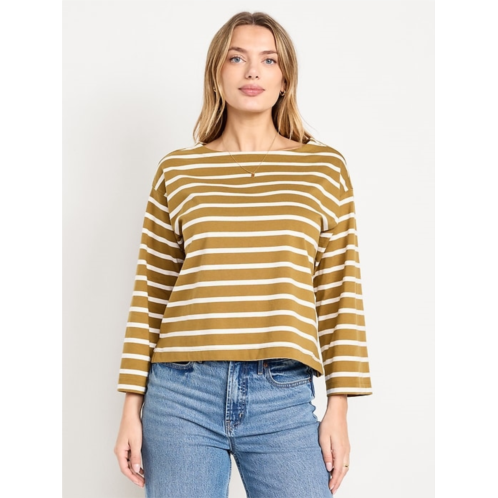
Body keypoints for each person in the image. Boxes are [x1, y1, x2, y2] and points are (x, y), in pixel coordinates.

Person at [114, 11, 373, 498]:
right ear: (217, 72)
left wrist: (338, 407)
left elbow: (340, 292)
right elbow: (151, 292)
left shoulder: (323, 168)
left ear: (285, 78)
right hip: (181, 392)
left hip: (282, 392)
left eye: (268, 60)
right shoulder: (178, 170)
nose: (252, 71)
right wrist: (131, 407)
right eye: (237, 58)